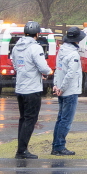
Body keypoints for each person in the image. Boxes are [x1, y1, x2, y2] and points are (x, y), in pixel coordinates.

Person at [12, 22, 53, 159]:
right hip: (32, 88)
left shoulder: (16, 47)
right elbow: (43, 67)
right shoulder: (35, 47)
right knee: (30, 119)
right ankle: (22, 150)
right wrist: (49, 71)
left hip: (20, 87)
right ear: (37, 34)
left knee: (23, 119)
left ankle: (20, 148)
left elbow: (15, 65)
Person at [50, 26, 83, 156]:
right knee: (66, 120)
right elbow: (71, 74)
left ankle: (56, 145)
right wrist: (62, 88)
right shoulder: (73, 54)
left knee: (60, 119)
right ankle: (59, 146)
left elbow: (58, 69)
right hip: (70, 90)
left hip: (61, 89)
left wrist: (56, 85)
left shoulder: (61, 51)